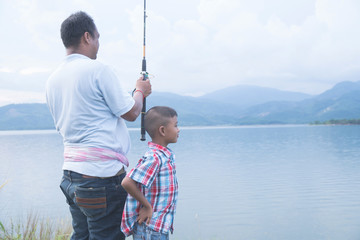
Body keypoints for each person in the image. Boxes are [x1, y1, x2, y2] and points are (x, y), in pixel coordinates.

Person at [45, 11, 151, 240]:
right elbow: (132, 112)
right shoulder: (98, 70)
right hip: (100, 178)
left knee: (81, 236)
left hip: (70, 175)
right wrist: (140, 91)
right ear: (87, 37)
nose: (98, 44)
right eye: (97, 37)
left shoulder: (52, 80)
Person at [121, 106, 179, 239]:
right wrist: (147, 206)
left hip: (158, 226)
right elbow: (127, 182)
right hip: (150, 228)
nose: (178, 129)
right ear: (162, 130)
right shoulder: (155, 158)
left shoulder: (164, 156)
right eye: (176, 125)